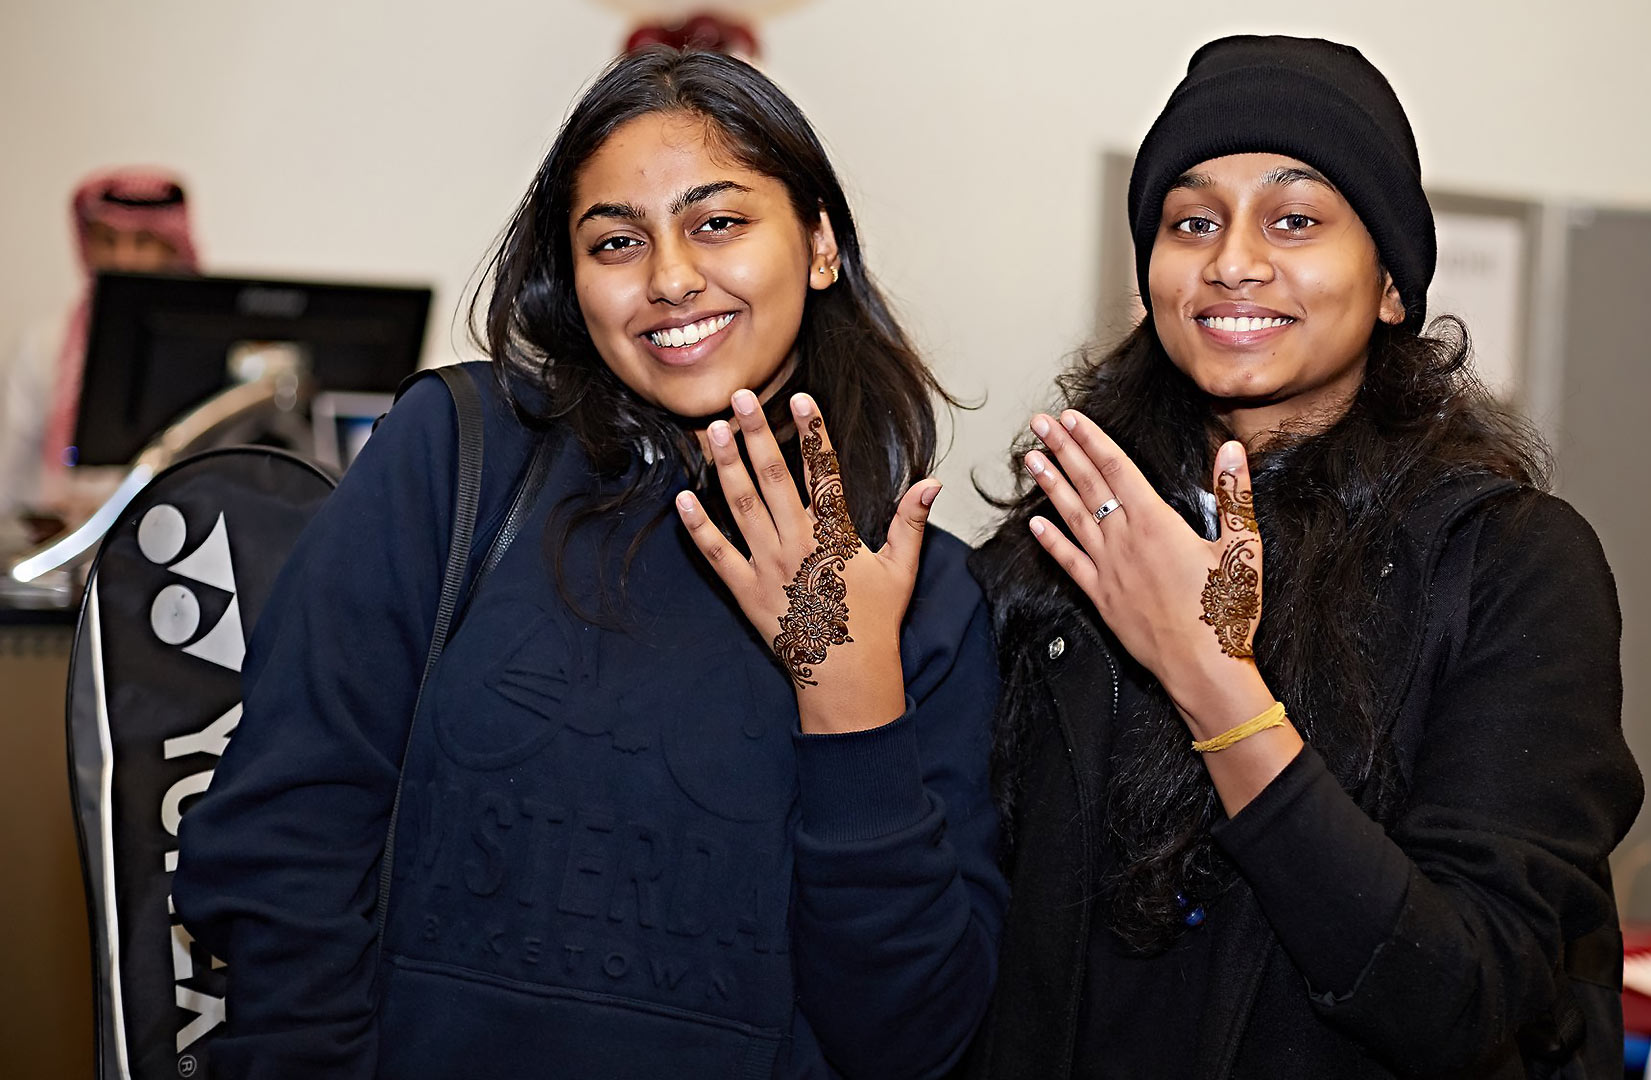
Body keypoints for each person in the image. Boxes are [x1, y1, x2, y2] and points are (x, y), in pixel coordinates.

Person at [174, 47, 1004, 1079]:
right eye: (617, 241)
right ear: (573, 280)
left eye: (718, 222)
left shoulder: (919, 593)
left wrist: (854, 714)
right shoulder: (454, 460)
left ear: (821, 244)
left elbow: (917, 1038)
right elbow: (281, 855)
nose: (668, 278)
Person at [966, 35, 1643, 1079]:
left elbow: (1460, 993)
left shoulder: (1509, 566)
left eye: (1296, 219)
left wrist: (1209, 680)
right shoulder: (1057, 544)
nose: (1233, 259)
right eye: (1192, 221)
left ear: (1388, 287)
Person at [0, 168, 198, 538]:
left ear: (172, 248)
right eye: (108, 240)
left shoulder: (204, 353)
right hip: (64, 546)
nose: (123, 259)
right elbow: (7, 481)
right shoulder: (45, 345)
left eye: (142, 242)